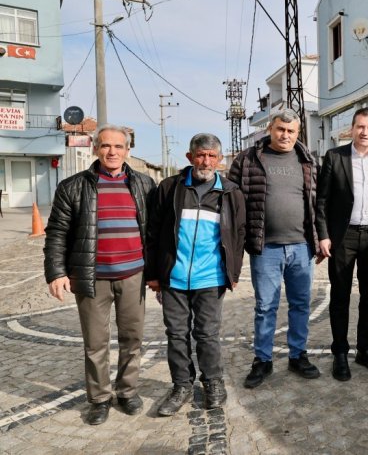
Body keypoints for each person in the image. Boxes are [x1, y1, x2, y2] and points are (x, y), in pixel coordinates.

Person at [43, 125, 156, 425]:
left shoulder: (144, 184)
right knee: (95, 343)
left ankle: (127, 391)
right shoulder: (72, 186)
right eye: (105, 146)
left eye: (118, 146)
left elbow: (154, 231)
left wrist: (157, 272)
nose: (112, 152)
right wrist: (56, 272)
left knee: (132, 338)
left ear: (127, 150)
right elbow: (56, 233)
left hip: (133, 276)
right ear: (95, 149)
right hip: (91, 278)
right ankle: (100, 398)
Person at [146, 134, 246, 416]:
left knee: (207, 333)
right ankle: (181, 385)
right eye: (201, 155)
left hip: (211, 277)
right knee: (176, 334)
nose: (206, 161)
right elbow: (152, 232)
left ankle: (213, 382)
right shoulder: (170, 188)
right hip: (174, 277)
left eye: (212, 156)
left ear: (220, 160)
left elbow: (239, 235)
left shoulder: (231, 192)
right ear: (190, 157)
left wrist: (233, 271)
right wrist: (153, 273)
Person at [228, 109, 322, 388]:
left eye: (291, 131)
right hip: (265, 248)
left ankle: (298, 355)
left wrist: (321, 237)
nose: (285, 135)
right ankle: (263, 360)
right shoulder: (247, 159)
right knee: (265, 306)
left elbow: (318, 202)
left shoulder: (307, 160)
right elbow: (231, 202)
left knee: (300, 304)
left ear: (298, 133)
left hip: (301, 246)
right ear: (270, 128)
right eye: (281, 129)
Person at [316, 107, 368, 381]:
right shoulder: (335, 157)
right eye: (360, 126)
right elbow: (322, 200)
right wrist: (323, 235)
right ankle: (340, 353)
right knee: (340, 296)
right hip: (343, 237)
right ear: (351, 129)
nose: (365, 132)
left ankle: (365, 350)